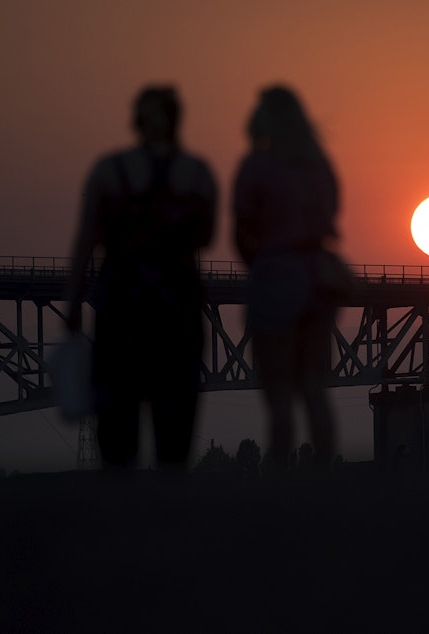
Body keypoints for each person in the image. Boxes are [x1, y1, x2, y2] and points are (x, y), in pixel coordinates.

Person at [66, 86, 217, 470]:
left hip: (121, 307)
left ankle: (124, 518)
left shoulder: (107, 171)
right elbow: (207, 237)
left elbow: (85, 240)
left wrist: (72, 304)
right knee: (175, 432)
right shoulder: (198, 175)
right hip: (177, 308)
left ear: (136, 118)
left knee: (117, 430)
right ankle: (168, 518)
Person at [233, 85, 341, 474]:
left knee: (279, 394)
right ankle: (324, 484)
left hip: (274, 279)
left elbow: (242, 230)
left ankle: (280, 487)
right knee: (315, 390)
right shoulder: (321, 167)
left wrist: (262, 263)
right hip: (317, 280)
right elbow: (330, 223)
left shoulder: (257, 166)